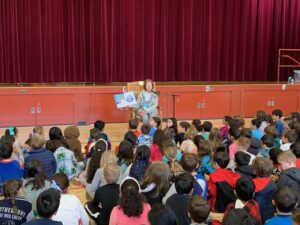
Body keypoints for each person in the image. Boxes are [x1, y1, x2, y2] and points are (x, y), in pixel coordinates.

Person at [252, 157, 276, 223]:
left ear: (254, 170)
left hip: (256, 213)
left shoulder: (251, 184)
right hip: (269, 212)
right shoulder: (273, 184)